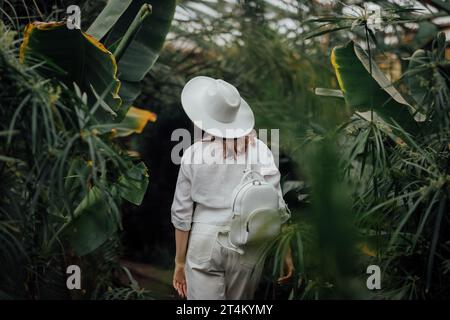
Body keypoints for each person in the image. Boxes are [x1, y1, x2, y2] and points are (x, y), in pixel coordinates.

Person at [171, 76, 294, 300]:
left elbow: (181, 214)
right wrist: (287, 255)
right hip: (248, 242)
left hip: (203, 241)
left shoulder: (193, 154)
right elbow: (277, 206)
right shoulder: (260, 150)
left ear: (203, 118)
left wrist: (179, 262)